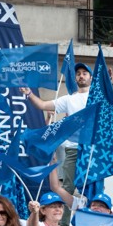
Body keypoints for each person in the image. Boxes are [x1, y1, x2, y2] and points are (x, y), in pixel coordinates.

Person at [22, 63, 92, 202]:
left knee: (93, 186)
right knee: (67, 189)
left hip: (92, 148)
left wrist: (107, 83)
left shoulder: (97, 96)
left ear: (91, 77)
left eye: (84, 73)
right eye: (78, 74)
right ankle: (64, 223)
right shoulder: (69, 99)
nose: (81, 76)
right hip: (73, 149)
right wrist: (29, 93)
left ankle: (96, 217)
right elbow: (42, 105)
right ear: (75, 78)